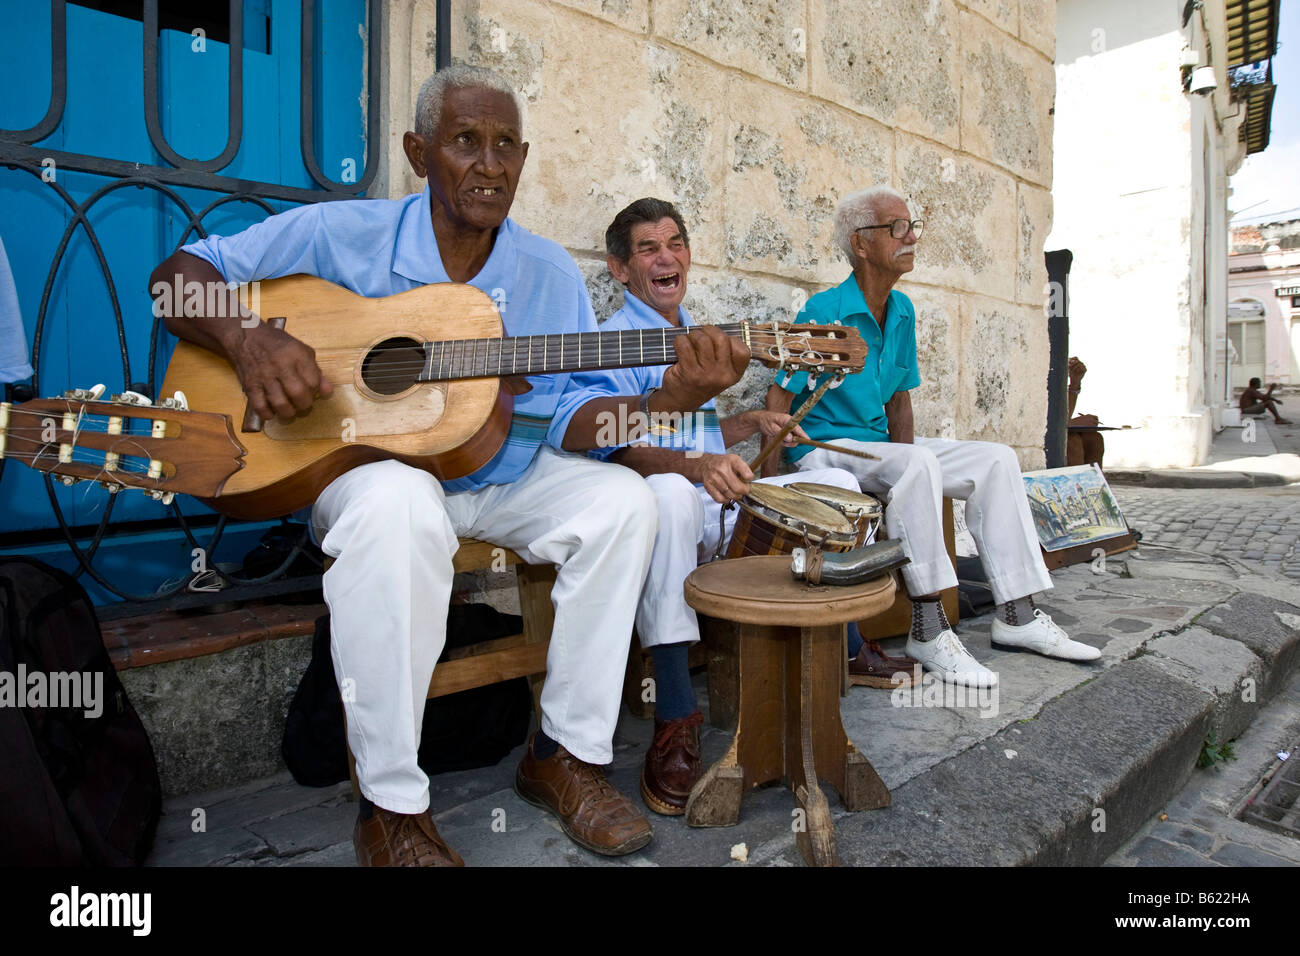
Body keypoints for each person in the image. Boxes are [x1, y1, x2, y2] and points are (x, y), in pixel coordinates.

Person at [149, 66, 747, 866]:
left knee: (626, 503)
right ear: (418, 150)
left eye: (506, 146)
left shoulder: (547, 273)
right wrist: (251, 340)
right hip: (366, 473)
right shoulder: (340, 234)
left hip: (506, 474)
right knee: (400, 506)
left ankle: (563, 756)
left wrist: (673, 390)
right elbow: (177, 280)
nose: (490, 165)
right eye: (466, 141)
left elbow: (577, 422)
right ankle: (391, 808)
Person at [556, 197, 893, 815]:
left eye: (676, 243)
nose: (667, 257)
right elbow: (617, 450)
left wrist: (747, 423)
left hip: (719, 510)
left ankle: (846, 646)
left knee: (838, 492)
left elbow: (698, 437)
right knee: (662, 497)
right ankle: (677, 711)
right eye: (649, 248)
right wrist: (696, 468)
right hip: (664, 517)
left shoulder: (699, 337)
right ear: (619, 269)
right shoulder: (605, 344)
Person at [766, 186, 1101, 689]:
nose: (911, 236)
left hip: (879, 449)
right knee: (915, 465)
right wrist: (772, 488)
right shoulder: (824, 310)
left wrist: (906, 455)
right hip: (825, 452)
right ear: (860, 243)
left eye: (912, 225)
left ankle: (1018, 614)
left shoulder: (901, 311)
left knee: (995, 458)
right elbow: (778, 394)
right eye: (896, 228)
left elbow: (900, 400)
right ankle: (928, 626)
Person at [1066, 356, 1105, 468]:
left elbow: (1064, 415)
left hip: (1056, 426)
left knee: (1094, 439)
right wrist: (1072, 423)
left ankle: (1095, 485)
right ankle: (1074, 485)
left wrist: (1075, 382)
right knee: (1072, 441)